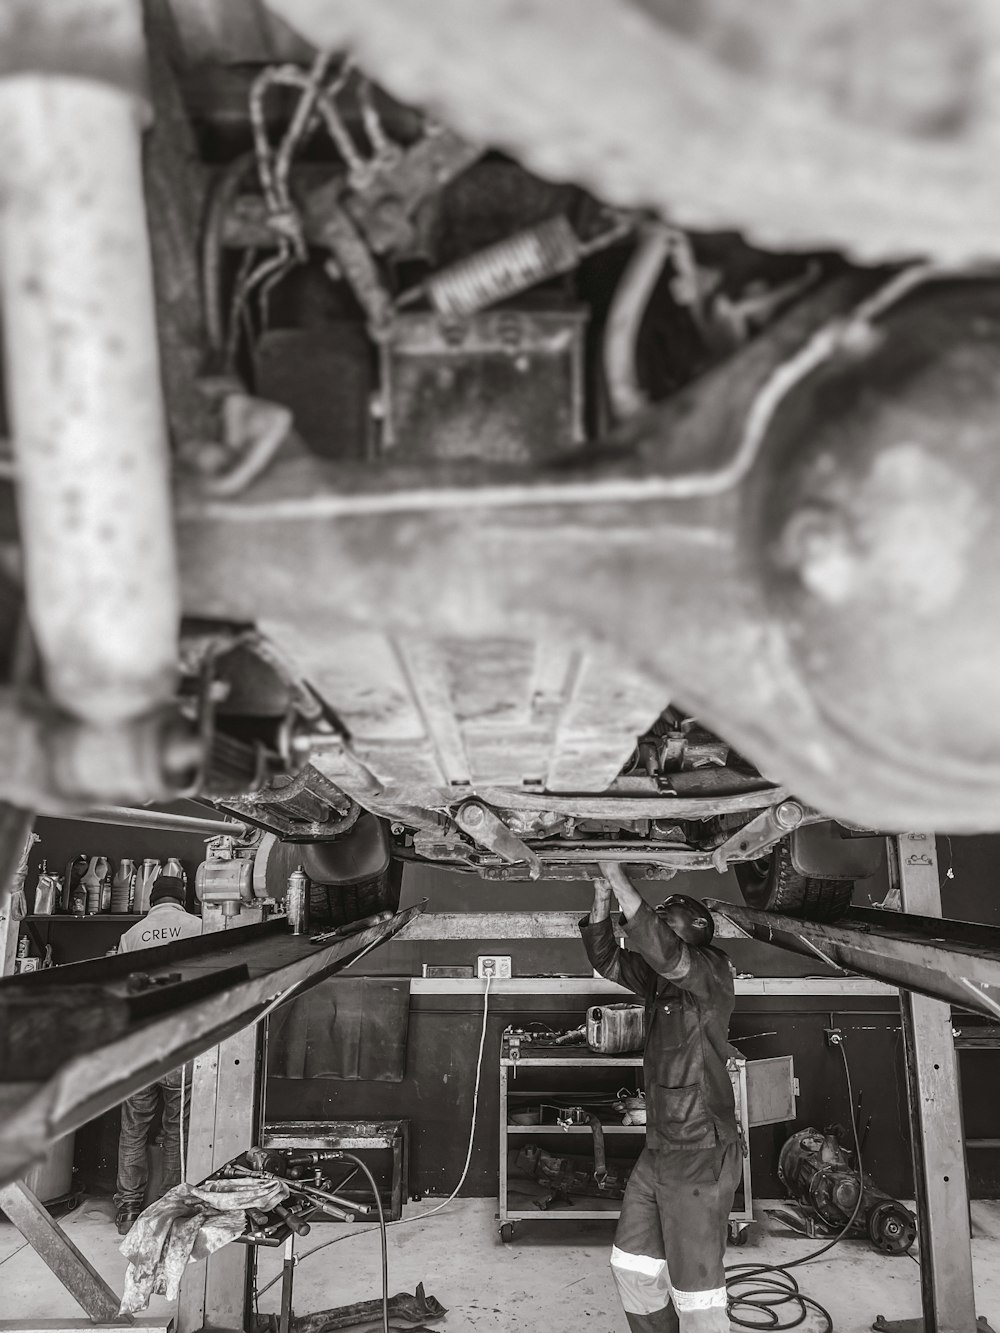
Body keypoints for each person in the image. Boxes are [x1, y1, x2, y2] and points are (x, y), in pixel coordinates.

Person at [579, 861, 739, 1333]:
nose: (642, 933)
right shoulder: (658, 981)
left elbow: (663, 950)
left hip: (699, 1149)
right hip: (661, 1146)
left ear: (687, 933)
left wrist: (619, 873)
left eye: (659, 924)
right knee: (632, 1266)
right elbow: (606, 959)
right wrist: (603, 897)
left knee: (697, 1292)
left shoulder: (712, 970)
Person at [114, 875, 202, 1235]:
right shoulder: (201, 927)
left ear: (152, 900)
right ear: (183, 900)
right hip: (181, 1043)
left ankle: (129, 1211)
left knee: (133, 1127)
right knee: (176, 1128)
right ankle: (170, 1210)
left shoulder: (132, 935)